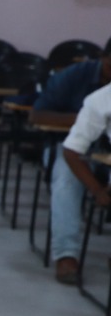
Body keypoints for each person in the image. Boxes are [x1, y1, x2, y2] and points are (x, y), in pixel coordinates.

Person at [39, 38, 111, 283]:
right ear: (103, 58)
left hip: (105, 153)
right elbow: (36, 115)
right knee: (66, 179)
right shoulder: (76, 78)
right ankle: (66, 255)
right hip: (69, 148)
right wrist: (85, 119)